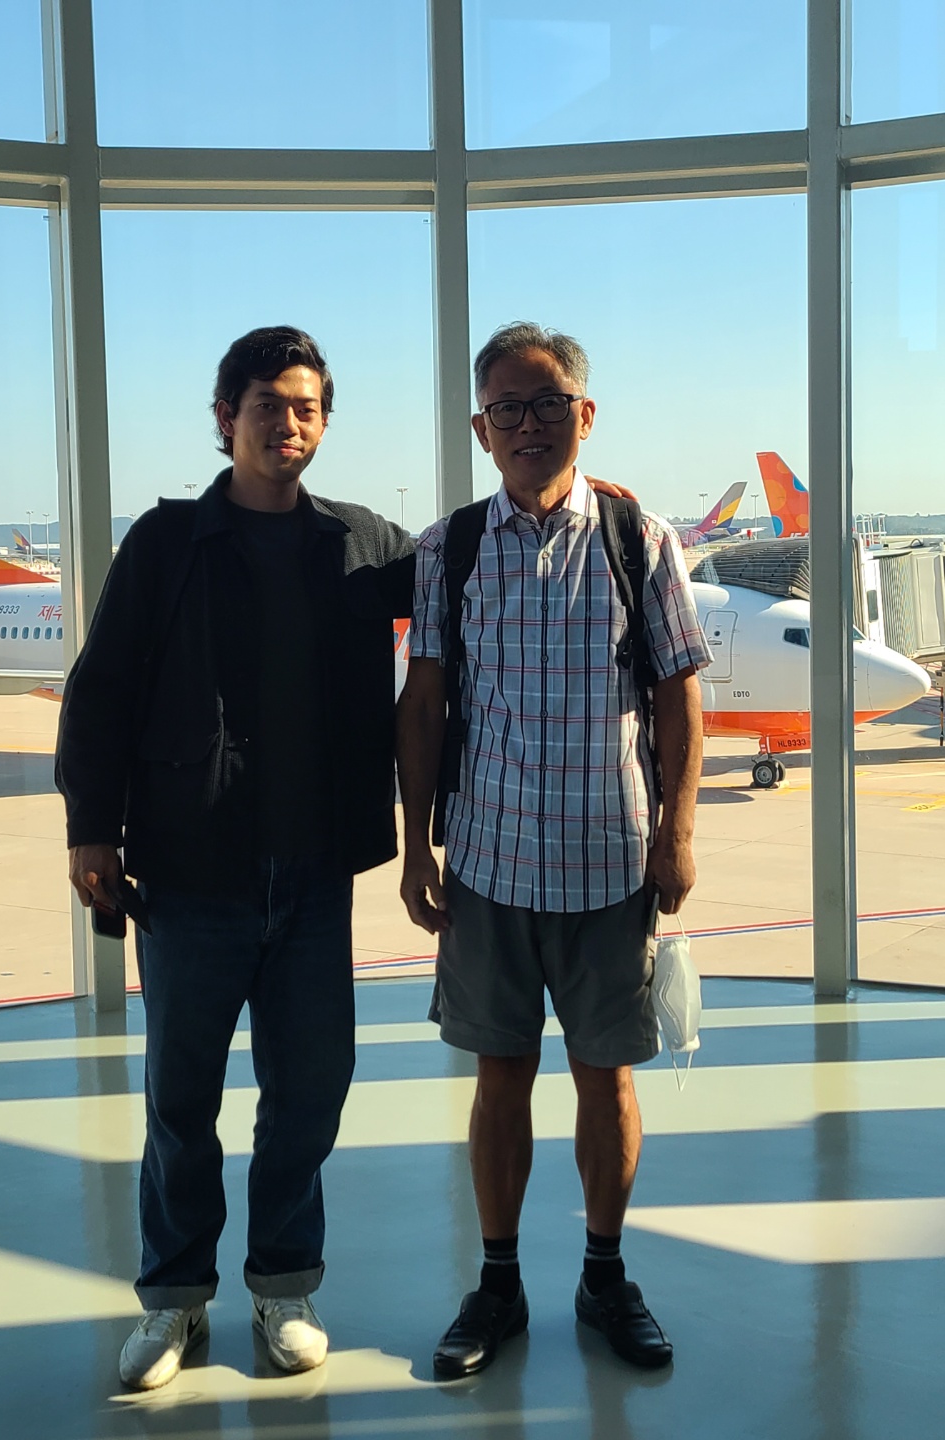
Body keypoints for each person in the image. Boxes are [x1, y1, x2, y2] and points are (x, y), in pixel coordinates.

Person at [55, 326, 416, 1390]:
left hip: (313, 874)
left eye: (306, 407)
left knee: (309, 1091)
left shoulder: (360, 541)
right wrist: (90, 825)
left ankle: (283, 1285)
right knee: (181, 1101)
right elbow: (102, 688)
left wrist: (571, 492)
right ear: (226, 418)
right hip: (190, 870)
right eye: (268, 405)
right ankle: (174, 1300)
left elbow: (466, 558)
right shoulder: (167, 543)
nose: (288, 424)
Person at [396, 322, 711, 1377]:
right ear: (480, 429)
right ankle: (498, 1284)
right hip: (488, 862)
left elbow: (679, 694)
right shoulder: (450, 548)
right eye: (506, 409)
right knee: (499, 1079)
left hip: (609, 862)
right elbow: (424, 703)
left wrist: (677, 833)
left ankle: (604, 1274)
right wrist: (415, 849)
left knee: (605, 1082)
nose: (527, 425)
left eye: (547, 404)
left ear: (585, 414)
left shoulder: (639, 538)